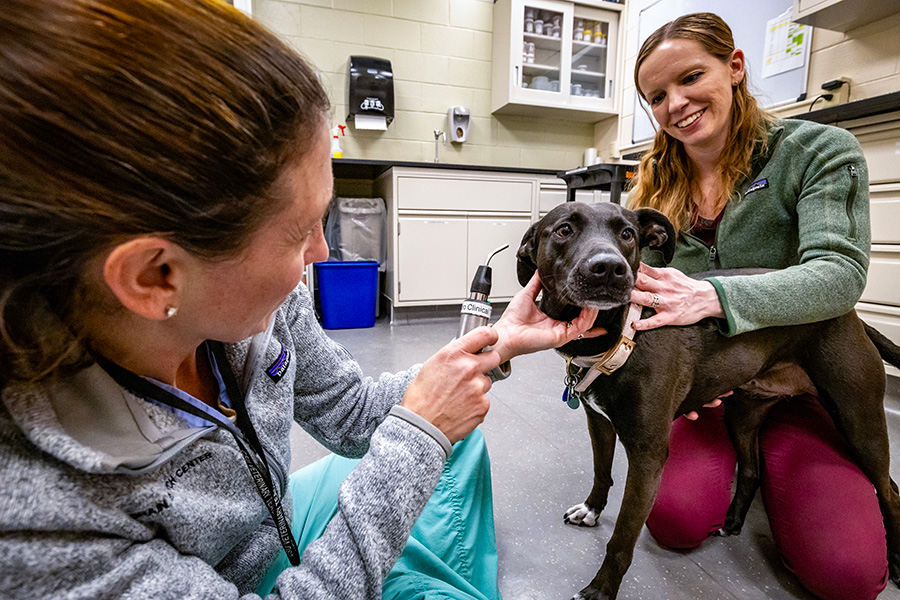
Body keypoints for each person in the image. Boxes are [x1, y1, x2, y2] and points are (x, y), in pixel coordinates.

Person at [0, 1, 601, 598]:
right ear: (156, 275)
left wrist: (498, 346)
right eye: (299, 232)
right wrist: (418, 438)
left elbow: (352, 412)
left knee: (456, 434)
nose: (322, 251)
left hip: (275, 521)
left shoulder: (257, 303)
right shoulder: (39, 525)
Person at [625, 12, 887, 600]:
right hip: (712, 389)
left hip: (802, 377)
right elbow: (641, 298)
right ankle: (752, 467)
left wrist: (714, 294)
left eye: (691, 77)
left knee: (848, 576)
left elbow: (839, 275)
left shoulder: (818, 149)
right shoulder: (648, 192)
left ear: (735, 67)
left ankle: (794, 465)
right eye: (657, 96)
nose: (677, 104)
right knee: (675, 521)